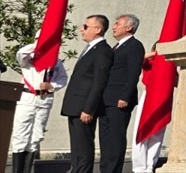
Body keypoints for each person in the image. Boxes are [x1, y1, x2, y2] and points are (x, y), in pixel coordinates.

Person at [61, 15, 114, 173]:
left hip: (83, 108)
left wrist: (89, 109)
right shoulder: (91, 49)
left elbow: (99, 82)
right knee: (77, 149)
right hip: (75, 106)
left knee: (83, 150)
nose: (81, 30)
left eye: (85, 26)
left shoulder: (103, 51)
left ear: (97, 29)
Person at [9, 34, 69, 173]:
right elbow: (20, 53)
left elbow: (63, 79)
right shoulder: (28, 59)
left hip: (44, 99)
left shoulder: (56, 62)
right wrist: (40, 45)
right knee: (20, 135)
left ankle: (27, 169)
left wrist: (51, 85)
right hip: (27, 99)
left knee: (36, 137)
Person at [100, 14, 146, 173]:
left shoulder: (134, 46)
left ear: (129, 27)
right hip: (106, 99)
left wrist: (124, 96)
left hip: (119, 100)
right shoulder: (117, 46)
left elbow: (133, 73)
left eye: (117, 23)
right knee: (105, 140)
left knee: (115, 140)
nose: (113, 27)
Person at [131, 43, 166, 173]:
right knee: (143, 130)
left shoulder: (169, 64)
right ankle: (139, 167)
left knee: (157, 132)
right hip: (149, 95)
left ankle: (150, 165)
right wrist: (157, 54)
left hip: (164, 95)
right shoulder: (150, 61)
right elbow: (139, 59)